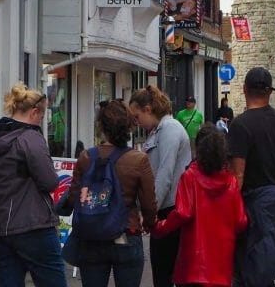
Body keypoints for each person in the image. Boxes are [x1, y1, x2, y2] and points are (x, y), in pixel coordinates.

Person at [0, 83, 67, 287]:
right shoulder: (31, 139)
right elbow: (49, 181)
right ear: (35, 112)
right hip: (33, 224)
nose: (41, 121)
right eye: (42, 117)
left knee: (9, 281)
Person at [228, 67, 275, 287]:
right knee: (267, 266)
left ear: (244, 89)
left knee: (250, 269)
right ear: (270, 91)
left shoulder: (240, 124)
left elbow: (238, 174)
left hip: (255, 203)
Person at [69, 100, 157, 287]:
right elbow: (149, 203)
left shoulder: (85, 157)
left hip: (92, 236)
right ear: (129, 127)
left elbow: (73, 197)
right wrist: (149, 223)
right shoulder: (139, 160)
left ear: (102, 126)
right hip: (126, 233)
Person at [153, 124, 247, 287]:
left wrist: (159, 226)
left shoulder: (190, 177)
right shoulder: (230, 181)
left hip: (193, 260)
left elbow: (183, 212)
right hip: (221, 263)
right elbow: (240, 221)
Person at [129, 86, 192, 287]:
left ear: (148, 109)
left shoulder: (170, 129)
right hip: (164, 209)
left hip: (170, 211)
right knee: (162, 272)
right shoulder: (159, 130)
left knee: (165, 273)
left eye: (137, 116)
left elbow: (165, 174)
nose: (136, 122)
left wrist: (150, 211)